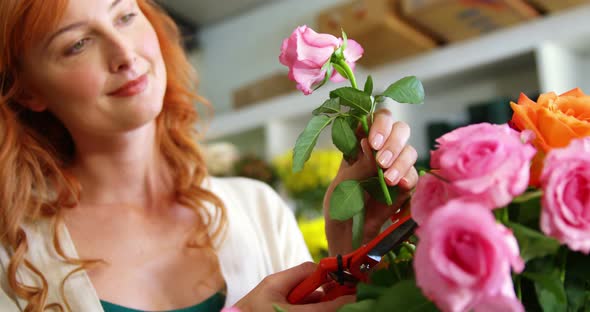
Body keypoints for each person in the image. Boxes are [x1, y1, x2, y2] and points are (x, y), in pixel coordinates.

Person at [0, 0, 419, 311]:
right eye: (77, 44)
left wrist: (355, 255)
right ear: (28, 90)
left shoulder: (257, 208)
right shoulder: (13, 259)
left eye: (125, 16)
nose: (124, 54)